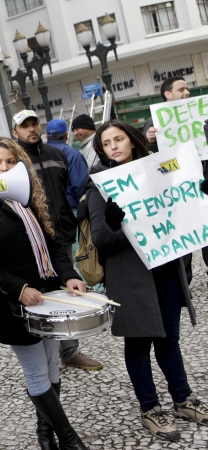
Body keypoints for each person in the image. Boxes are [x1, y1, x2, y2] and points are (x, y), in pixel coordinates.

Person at [85, 120, 207, 441]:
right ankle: (150, 408)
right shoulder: (99, 187)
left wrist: (200, 193)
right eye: (106, 143)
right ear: (102, 151)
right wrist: (113, 223)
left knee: (169, 340)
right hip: (131, 279)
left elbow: (183, 208)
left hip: (165, 269)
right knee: (138, 346)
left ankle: (182, 399)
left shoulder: (160, 170)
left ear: (133, 140)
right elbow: (101, 239)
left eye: (119, 139)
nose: (113, 146)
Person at [0, 137, 90, 450]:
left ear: (20, 166)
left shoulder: (29, 199)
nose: (3, 167)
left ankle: (45, 436)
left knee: (51, 368)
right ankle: (69, 439)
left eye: (10, 161)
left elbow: (55, 245)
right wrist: (19, 289)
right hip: (13, 305)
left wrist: (70, 275)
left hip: (45, 300)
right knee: (37, 372)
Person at [11, 110, 102, 371]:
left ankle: (69, 350)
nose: (31, 129)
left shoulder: (57, 154)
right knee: (42, 293)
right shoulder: (14, 160)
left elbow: (68, 190)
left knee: (66, 288)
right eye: (24, 126)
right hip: (32, 238)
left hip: (60, 234)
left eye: (34, 123)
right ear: (15, 132)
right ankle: (42, 354)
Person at [143, 77, 207, 284]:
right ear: (167, 94)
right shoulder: (153, 123)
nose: (187, 92)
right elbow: (154, 166)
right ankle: (182, 284)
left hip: (203, 186)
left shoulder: (202, 116)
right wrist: (150, 141)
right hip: (176, 193)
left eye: (188, 88)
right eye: (182, 89)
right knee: (182, 242)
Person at [43, 119, 88, 210]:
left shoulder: (38, 154)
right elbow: (80, 185)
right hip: (72, 209)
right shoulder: (72, 154)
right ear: (67, 135)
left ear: (47, 136)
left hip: (47, 211)